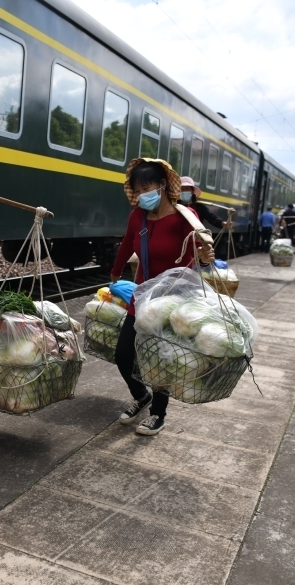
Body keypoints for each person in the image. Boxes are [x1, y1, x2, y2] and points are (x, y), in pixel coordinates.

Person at [111, 159, 215, 436]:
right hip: (143, 294)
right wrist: (115, 270)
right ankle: (140, 395)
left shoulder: (185, 216)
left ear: (162, 186)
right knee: (123, 354)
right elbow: (126, 243)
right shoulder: (138, 217)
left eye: (148, 187)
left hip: (173, 298)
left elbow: (201, 250)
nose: (143, 193)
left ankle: (158, 414)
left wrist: (205, 258)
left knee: (161, 359)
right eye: (138, 188)